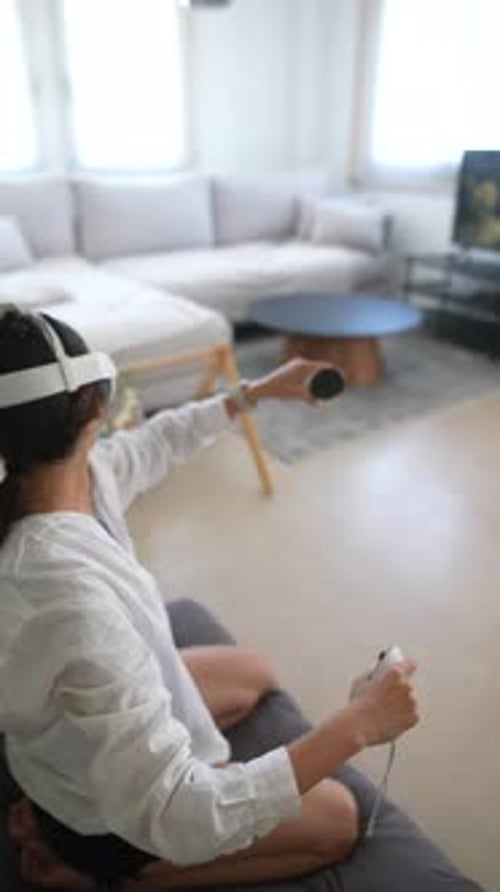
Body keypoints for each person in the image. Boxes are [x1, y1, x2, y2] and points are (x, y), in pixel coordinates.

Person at [0, 307, 419, 892]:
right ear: (95, 406)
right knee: (340, 820)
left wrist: (257, 392)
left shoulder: (64, 483)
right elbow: (182, 813)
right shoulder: (66, 597)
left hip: (70, 757)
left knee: (255, 671)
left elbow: (156, 440)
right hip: (106, 821)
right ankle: (95, 875)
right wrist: (359, 724)